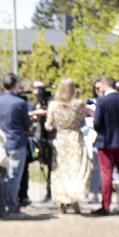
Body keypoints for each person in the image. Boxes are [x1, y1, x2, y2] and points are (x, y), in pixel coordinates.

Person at [45, 78, 90, 214]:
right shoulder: (78, 104)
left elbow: (48, 125)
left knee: (60, 171)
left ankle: (62, 202)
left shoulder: (53, 105)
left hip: (61, 139)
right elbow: (82, 118)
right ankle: (75, 200)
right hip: (75, 138)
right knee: (76, 170)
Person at [93, 77, 119, 215]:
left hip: (105, 142)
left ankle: (106, 206)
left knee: (106, 174)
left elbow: (97, 123)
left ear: (105, 86)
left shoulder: (102, 102)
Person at [0, 73, 32, 215]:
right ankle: (12, 205)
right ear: (15, 85)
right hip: (16, 141)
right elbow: (27, 124)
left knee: (4, 175)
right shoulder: (20, 102)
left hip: (2, 142)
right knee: (15, 176)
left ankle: (2, 204)